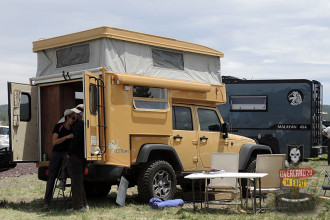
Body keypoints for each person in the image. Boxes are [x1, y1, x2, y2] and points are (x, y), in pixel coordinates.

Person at [43, 109, 77, 210]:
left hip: (66, 153)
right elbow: (54, 142)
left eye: (75, 118)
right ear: (67, 117)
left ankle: (62, 180)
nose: (74, 120)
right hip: (56, 153)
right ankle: (46, 203)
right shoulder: (59, 127)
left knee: (68, 158)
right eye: (73, 118)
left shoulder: (73, 128)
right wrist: (66, 137)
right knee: (51, 178)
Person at [67, 105, 88, 212]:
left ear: (79, 114)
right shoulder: (84, 125)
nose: (73, 114)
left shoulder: (79, 125)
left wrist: (69, 153)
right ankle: (84, 205)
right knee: (79, 181)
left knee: (76, 182)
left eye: (75, 113)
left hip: (76, 156)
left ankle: (77, 207)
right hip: (82, 156)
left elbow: (75, 142)